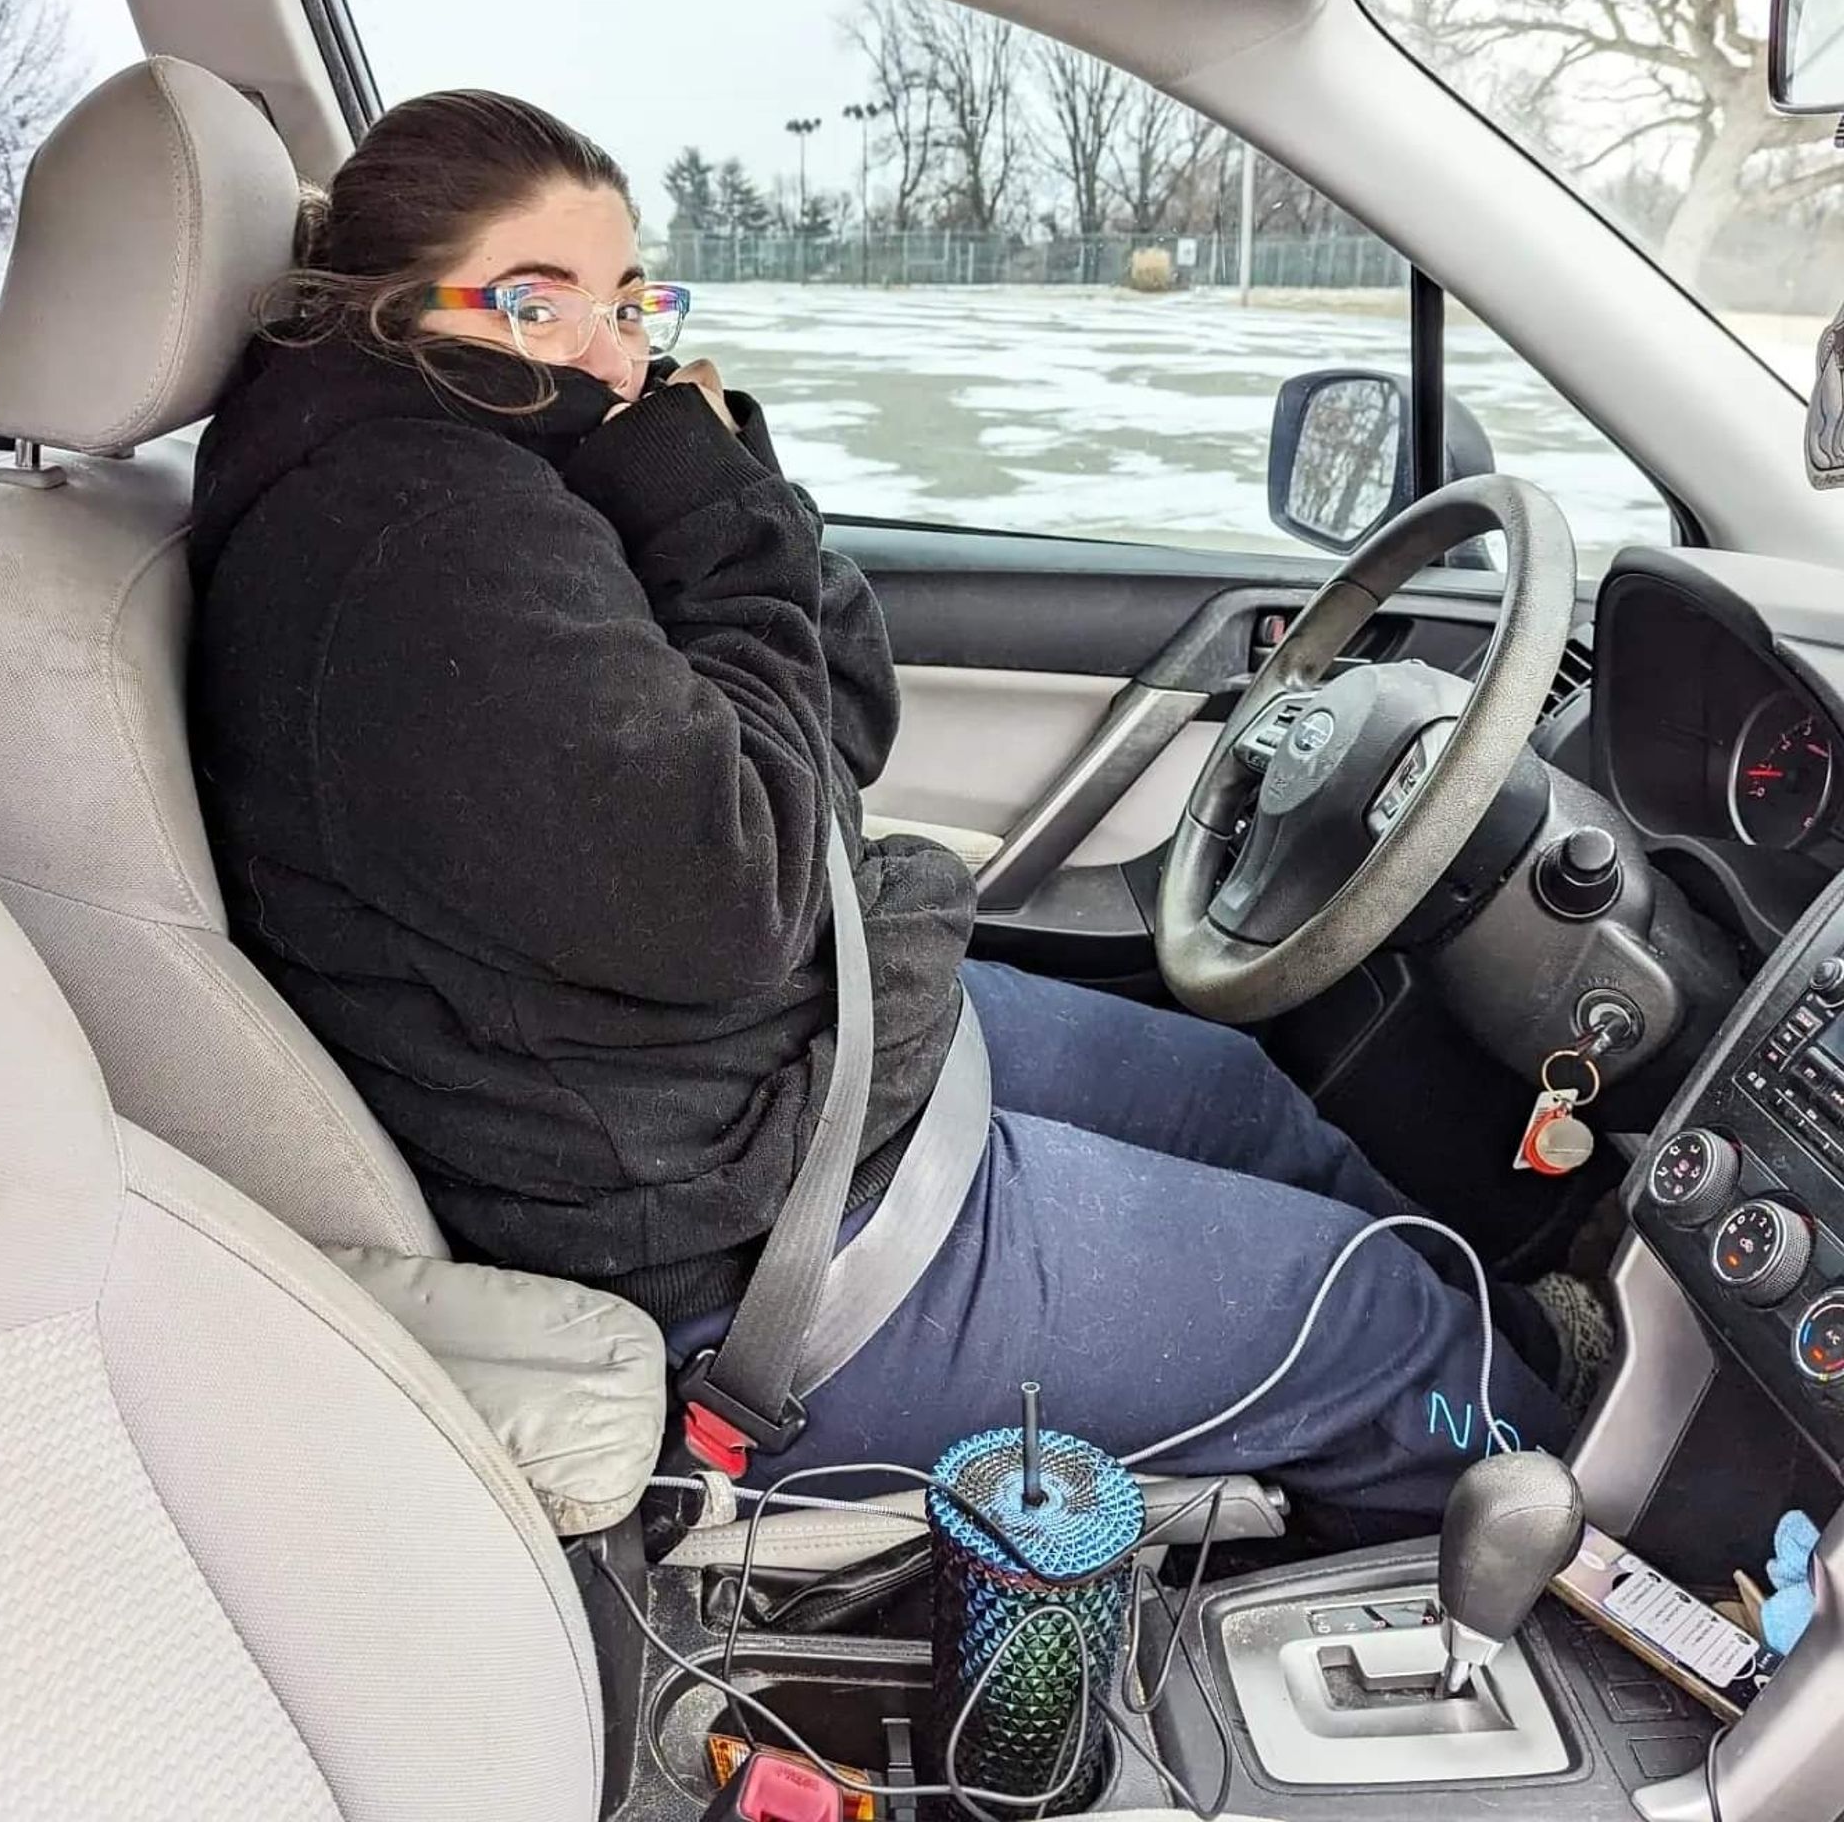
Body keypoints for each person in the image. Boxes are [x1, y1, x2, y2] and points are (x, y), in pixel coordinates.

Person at [188, 89, 1606, 1525]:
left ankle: (1535, 1360)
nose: (617, 356)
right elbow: (737, 896)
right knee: (1373, 1330)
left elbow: (843, 702)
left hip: (768, 1074)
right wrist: (712, 523)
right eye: (538, 306)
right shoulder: (423, 543)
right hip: (735, 1234)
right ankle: (1590, 1537)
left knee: (1235, 1095)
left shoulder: (509, 475)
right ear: (385, 310)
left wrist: (726, 489)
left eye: (628, 300)